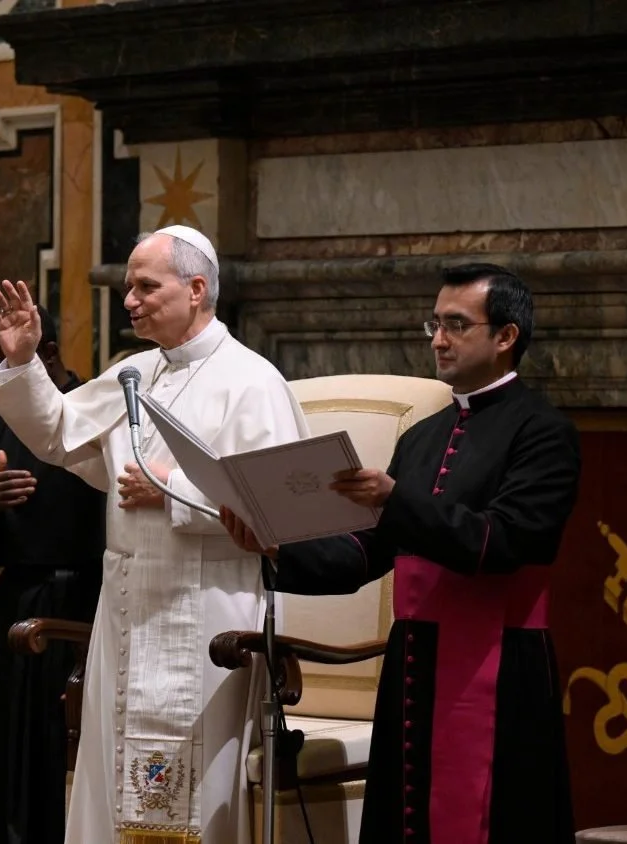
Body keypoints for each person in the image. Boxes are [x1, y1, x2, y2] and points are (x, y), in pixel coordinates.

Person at [221, 263, 580, 844]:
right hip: (413, 665)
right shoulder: (421, 437)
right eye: (434, 324)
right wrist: (276, 546)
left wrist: (396, 500)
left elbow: (506, 541)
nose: (438, 340)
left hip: (498, 667)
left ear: (506, 336)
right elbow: (365, 554)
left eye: (456, 325)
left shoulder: (543, 432)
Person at [0, 226, 310, 844]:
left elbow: (280, 508)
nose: (129, 300)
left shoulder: (253, 381)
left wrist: (172, 492)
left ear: (196, 289)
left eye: (145, 286)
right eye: (128, 287)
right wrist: (23, 362)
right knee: (112, 784)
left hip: (210, 614)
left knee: (194, 794)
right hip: (128, 612)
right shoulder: (135, 372)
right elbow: (60, 433)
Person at [0, 307, 106, 844]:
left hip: (89, 608)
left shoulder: (95, 410)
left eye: (4, 365)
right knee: (6, 760)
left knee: (67, 761)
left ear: (46, 354)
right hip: (17, 611)